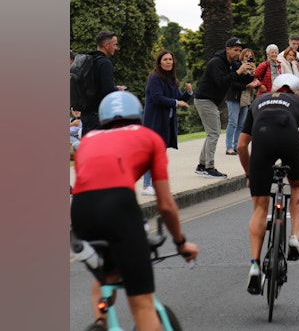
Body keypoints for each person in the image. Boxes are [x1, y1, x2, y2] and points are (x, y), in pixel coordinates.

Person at [71, 91, 199, 330]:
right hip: (119, 207)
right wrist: (181, 243)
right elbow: (165, 205)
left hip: (80, 212)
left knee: (107, 275)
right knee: (142, 303)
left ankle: (101, 322)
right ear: (138, 116)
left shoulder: (88, 139)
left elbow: (90, 185)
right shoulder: (149, 137)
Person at [237, 74, 299, 295]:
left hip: (262, 140)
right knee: (297, 186)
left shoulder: (258, 102)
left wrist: (250, 174)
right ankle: (294, 237)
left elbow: (241, 146)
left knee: (260, 208)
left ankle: (255, 265)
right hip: (289, 140)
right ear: (297, 91)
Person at [194, 37, 256, 178]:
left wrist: (251, 74)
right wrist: (238, 71)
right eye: (235, 50)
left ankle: (202, 165)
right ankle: (209, 167)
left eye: (239, 50)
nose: (238, 53)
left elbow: (240, 81)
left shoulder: (232, 63)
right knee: (214, 133)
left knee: (212, 133)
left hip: (212, 101)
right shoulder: (216, 62)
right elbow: (222, 82)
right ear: (227, 49)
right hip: (205, 99)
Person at [140, 50, 194, 196]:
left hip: (166, 122)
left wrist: (188, 93)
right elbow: (158, 98)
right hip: (154, 122)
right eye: (165, 59)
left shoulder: (171, 79)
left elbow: (178, 98)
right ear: (159, 63)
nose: (169, 62)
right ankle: (146, 185)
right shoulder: (154, 78)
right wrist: (177, 102)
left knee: (160, 156)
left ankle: (156, 185)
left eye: (170, 59)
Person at [80, 30, 126, 135]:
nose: (116, 48)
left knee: (87, 143)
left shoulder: (88, 59)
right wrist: (117, 90)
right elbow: (108, 90)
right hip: (98, 115)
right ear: (106, 45)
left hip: (85, 113)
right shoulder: (104, 63)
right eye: (114, 45)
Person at [225, 48, 260, 156]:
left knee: (241, 124)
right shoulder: (236, 66)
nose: (248, 58)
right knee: (233, 122)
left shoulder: (251, 68)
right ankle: (229, 147)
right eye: (246, 56)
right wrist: (246, 85)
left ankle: (237, 146)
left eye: (250, 57)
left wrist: (253, 74)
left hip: (246, 98)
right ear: (242, 56)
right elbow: (232, 83)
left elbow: (251, 82)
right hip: (235, 97)